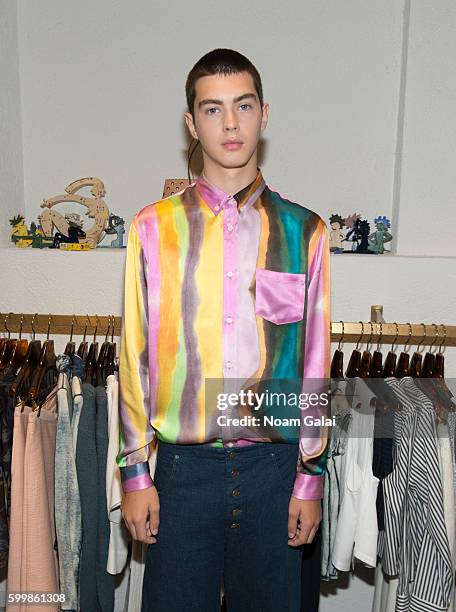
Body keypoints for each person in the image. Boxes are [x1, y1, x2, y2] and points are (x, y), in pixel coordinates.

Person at [117, 48, 331, 612]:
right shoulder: (152, 228)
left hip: (274, 473)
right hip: (183, 475)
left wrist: (311, 475)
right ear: (192, 123)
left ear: (265, 114)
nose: (230, 123)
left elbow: (313, 361)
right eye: (213, 110)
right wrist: (134, 471)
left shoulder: (303, 231)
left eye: (243, 105)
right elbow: (134, 356)